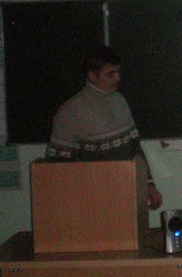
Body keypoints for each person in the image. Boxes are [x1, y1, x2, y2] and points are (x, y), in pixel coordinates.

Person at [46, 45, 163, 210]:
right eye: (110, 74)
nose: (118, 79)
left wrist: (148, 183)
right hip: (92, 202)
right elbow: (56, 166)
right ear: (92, 76)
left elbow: (135, 148)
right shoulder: (70, 112)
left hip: (125, 194)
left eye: (118, 73)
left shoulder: (119, 101)